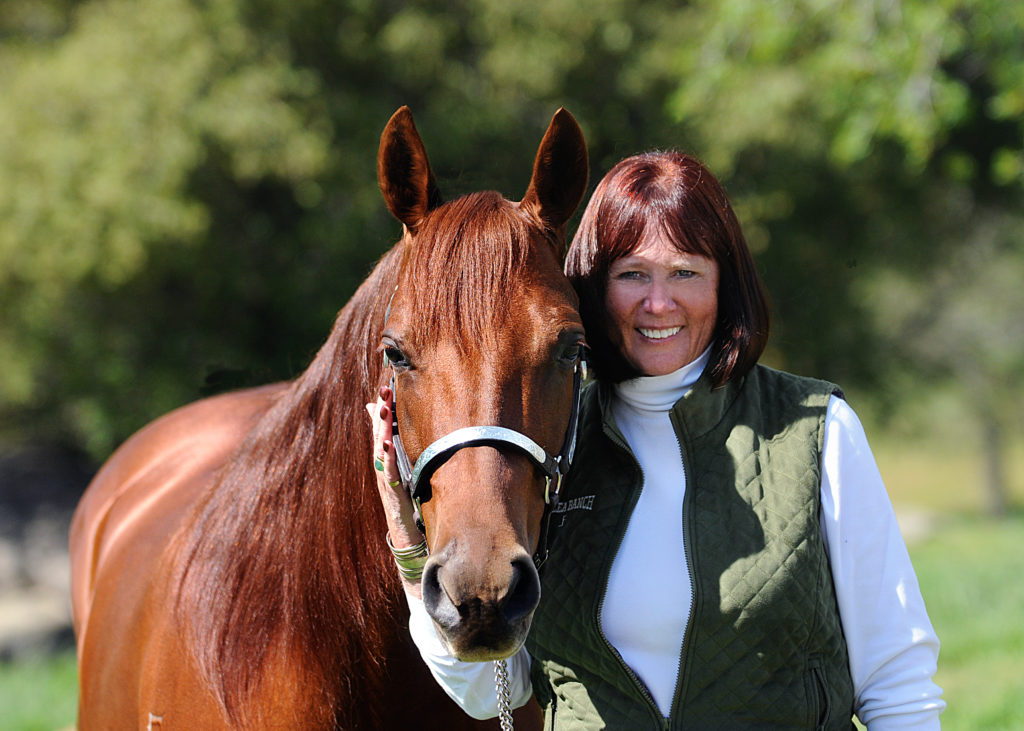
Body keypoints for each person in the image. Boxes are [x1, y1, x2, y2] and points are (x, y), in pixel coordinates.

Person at [367, 151, 945, 728]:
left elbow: (897, 684)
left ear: (725, 284)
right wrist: (407, 540)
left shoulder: (815, 429)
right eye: (632, 275)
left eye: (685, 272)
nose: (659, 303)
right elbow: (495, 690)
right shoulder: (555, 450)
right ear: (595, 286)